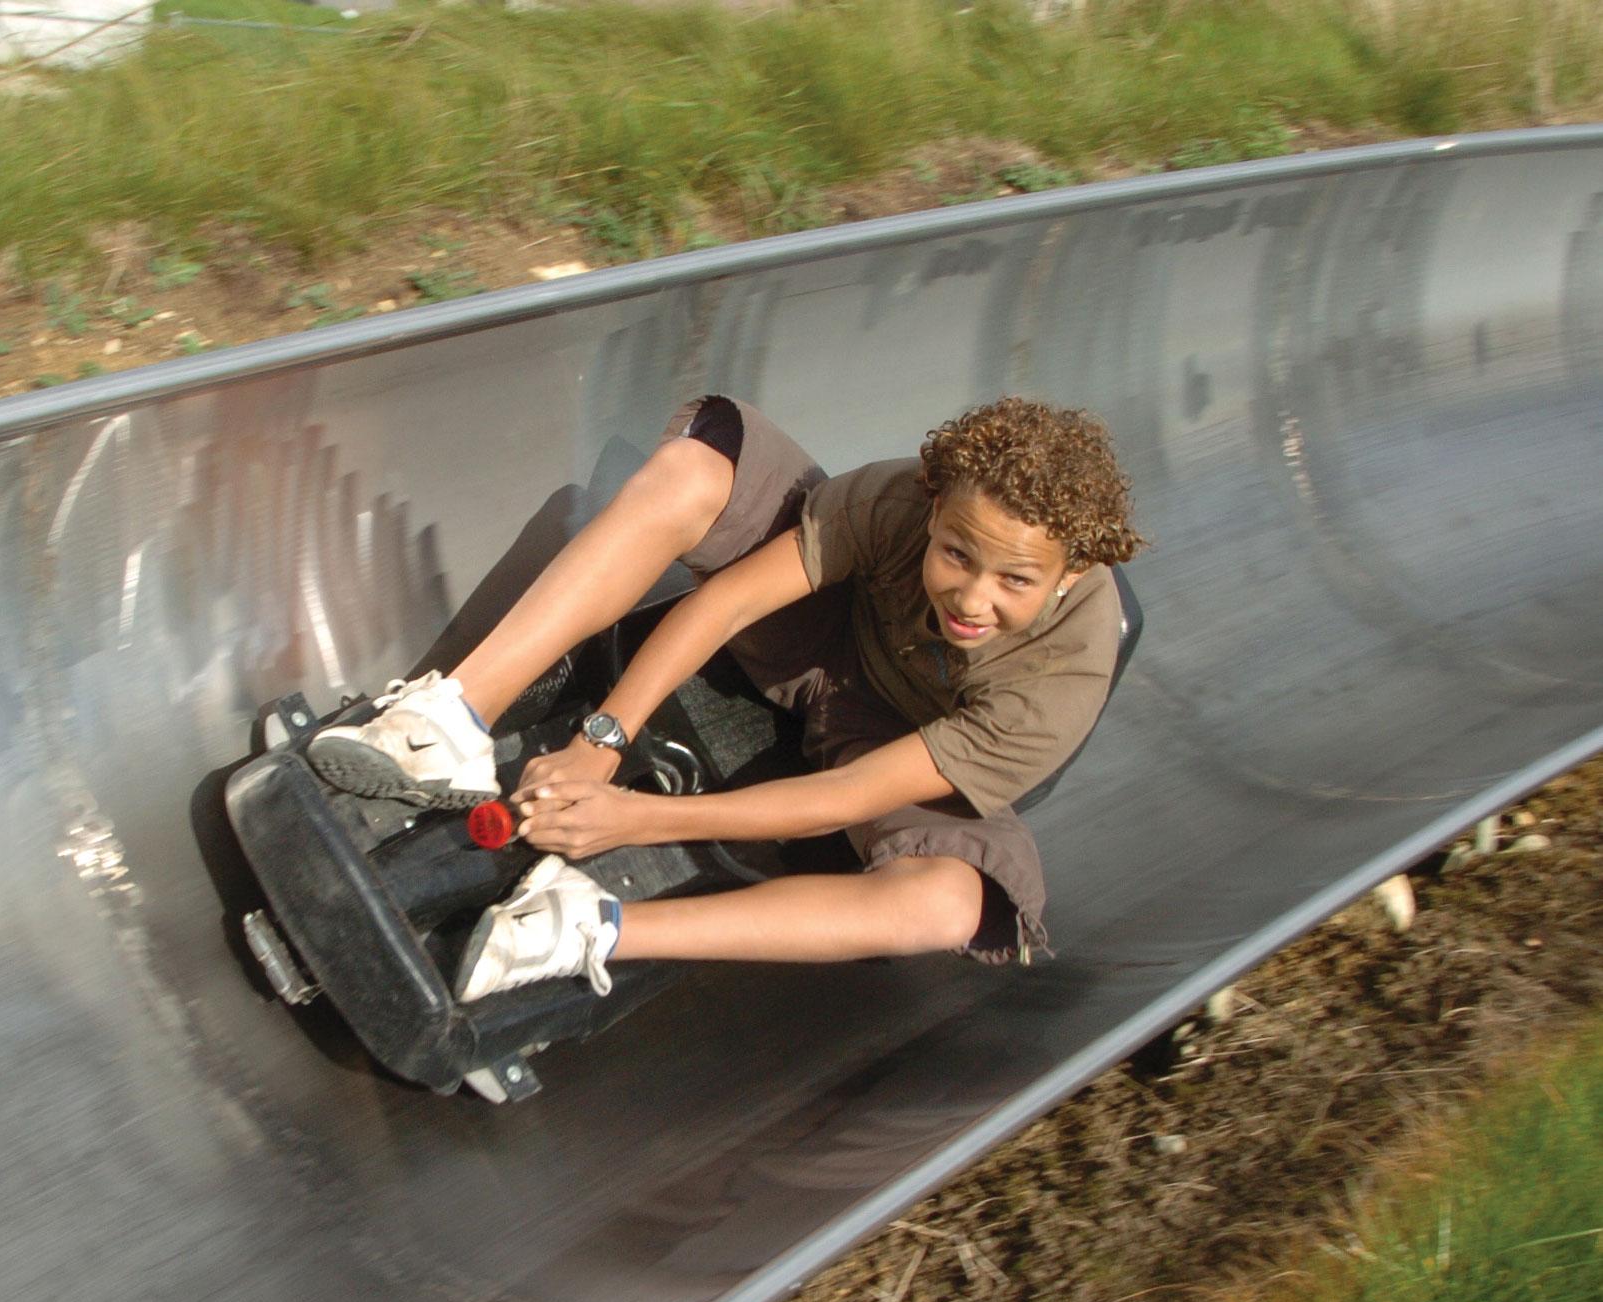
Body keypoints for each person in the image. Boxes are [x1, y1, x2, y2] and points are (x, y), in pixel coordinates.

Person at [308, 395, 1145, 1003]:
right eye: (957, 555)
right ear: (933, 506)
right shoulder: (900, 498)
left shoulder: (1055, 686)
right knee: (698, 465)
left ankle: (584, 925)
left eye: (1014, 581)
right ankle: (451, 718)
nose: (972, 597)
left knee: (947, 905)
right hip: (823, 633)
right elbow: (730, 603)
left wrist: (638, 820)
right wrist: (602, 739)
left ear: (1071, 573)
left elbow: (844, 797)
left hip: (902, 743)